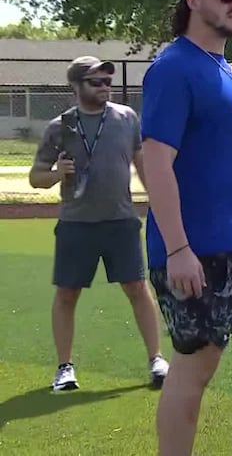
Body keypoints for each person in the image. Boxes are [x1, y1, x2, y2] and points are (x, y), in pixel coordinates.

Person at [140, 0, 232, 456]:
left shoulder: (222, 69)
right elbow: (156, 163)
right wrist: (178, 248)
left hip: (223, 243)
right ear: (193, 1)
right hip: (191, 250)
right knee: (190, 370)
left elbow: (219, 158)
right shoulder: (174, 68)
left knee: (201, 367)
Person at [30, 55, 168, 392]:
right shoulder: (60, 127)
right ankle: (65, 368)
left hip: (121, 221)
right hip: (76, 224)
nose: (105, 87)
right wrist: (56, 174)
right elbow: (36, 177)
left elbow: (141, 163)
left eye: (108, 81)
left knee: (137, 288)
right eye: (97, 82)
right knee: (67, 294)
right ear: (76, 86)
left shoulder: (126, 118)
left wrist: (159, 202)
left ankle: (157, 360)